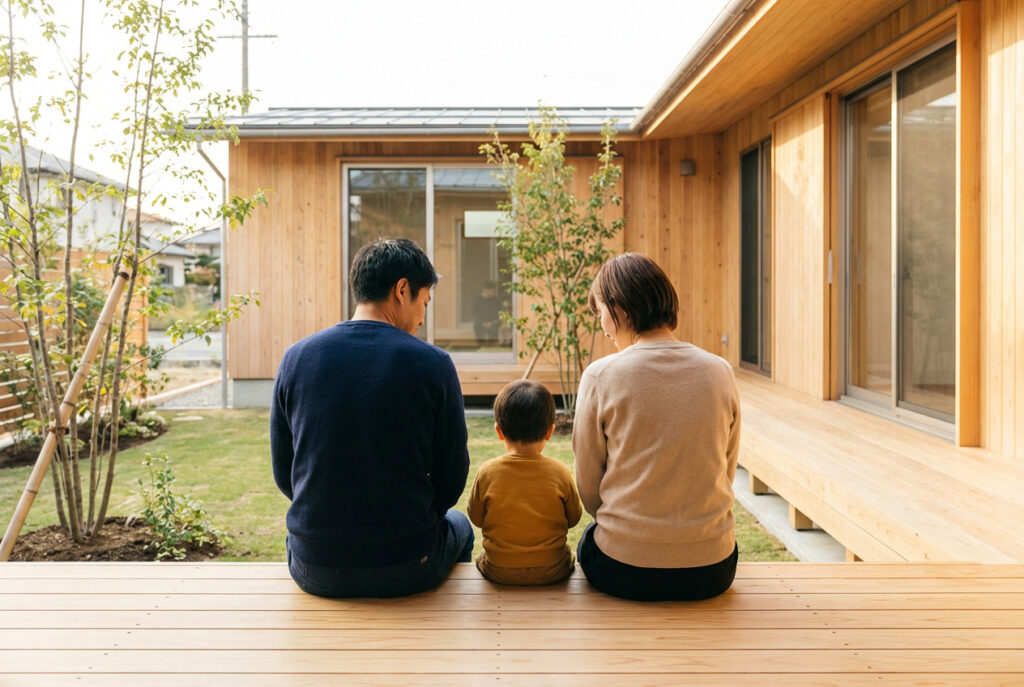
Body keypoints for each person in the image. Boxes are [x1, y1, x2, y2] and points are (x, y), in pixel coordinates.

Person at [271, 237, 473, 598]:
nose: (423, 317)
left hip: (313, 566)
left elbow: (285, 472)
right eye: (424, 301)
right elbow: (452, 478)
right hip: (408, 565)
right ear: (402, 290)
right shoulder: (433, 364)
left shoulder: (295, 358)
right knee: (461, 526)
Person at [572, 253, 741, 601]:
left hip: (623, 568)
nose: (602, 325)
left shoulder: (601, 376)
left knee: (588, 540)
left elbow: (588, 486)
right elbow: (725, 468)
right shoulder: (720, 371)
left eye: (600, 310)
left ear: (620, 308)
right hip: (713, 568)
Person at [468, 379, 583, 585]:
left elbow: (476, 518)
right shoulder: (560, 472)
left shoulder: (487, 472)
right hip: (553, 570)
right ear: (550, 431)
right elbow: (574, 519)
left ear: (498, 431)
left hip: (498, 570)